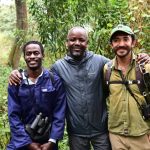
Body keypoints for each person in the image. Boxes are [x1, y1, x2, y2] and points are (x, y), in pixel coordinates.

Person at [8, 27, 150, 150]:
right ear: (66, 43)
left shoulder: (101, 62)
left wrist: (142, 58)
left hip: (101, 130)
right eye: (72, 39)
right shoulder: (58, 67)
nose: (77, 43)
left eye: (81, 40)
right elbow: (39, 74)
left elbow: (121, 66)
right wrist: (17, 73)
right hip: (76, 132)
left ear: (87, 43)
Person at [7, 41, 66, 150]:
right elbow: (13, 115)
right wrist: (27, 143)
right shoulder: (17, 82)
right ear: (24, 57)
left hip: (47, 140)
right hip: (21, 140)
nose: (32, 56)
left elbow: (59, 112)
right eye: (28, 54)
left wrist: (52, 141)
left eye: (36, 53)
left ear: (43, 55)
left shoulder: (54, 81)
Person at [104, 24, 150, 150]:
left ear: (133, 42)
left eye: (125, 39)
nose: (121, 44)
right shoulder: (107, 70)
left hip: (141, 133)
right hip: (116, 134)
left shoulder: (145, 67)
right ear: (111, 44)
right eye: (116, 40)